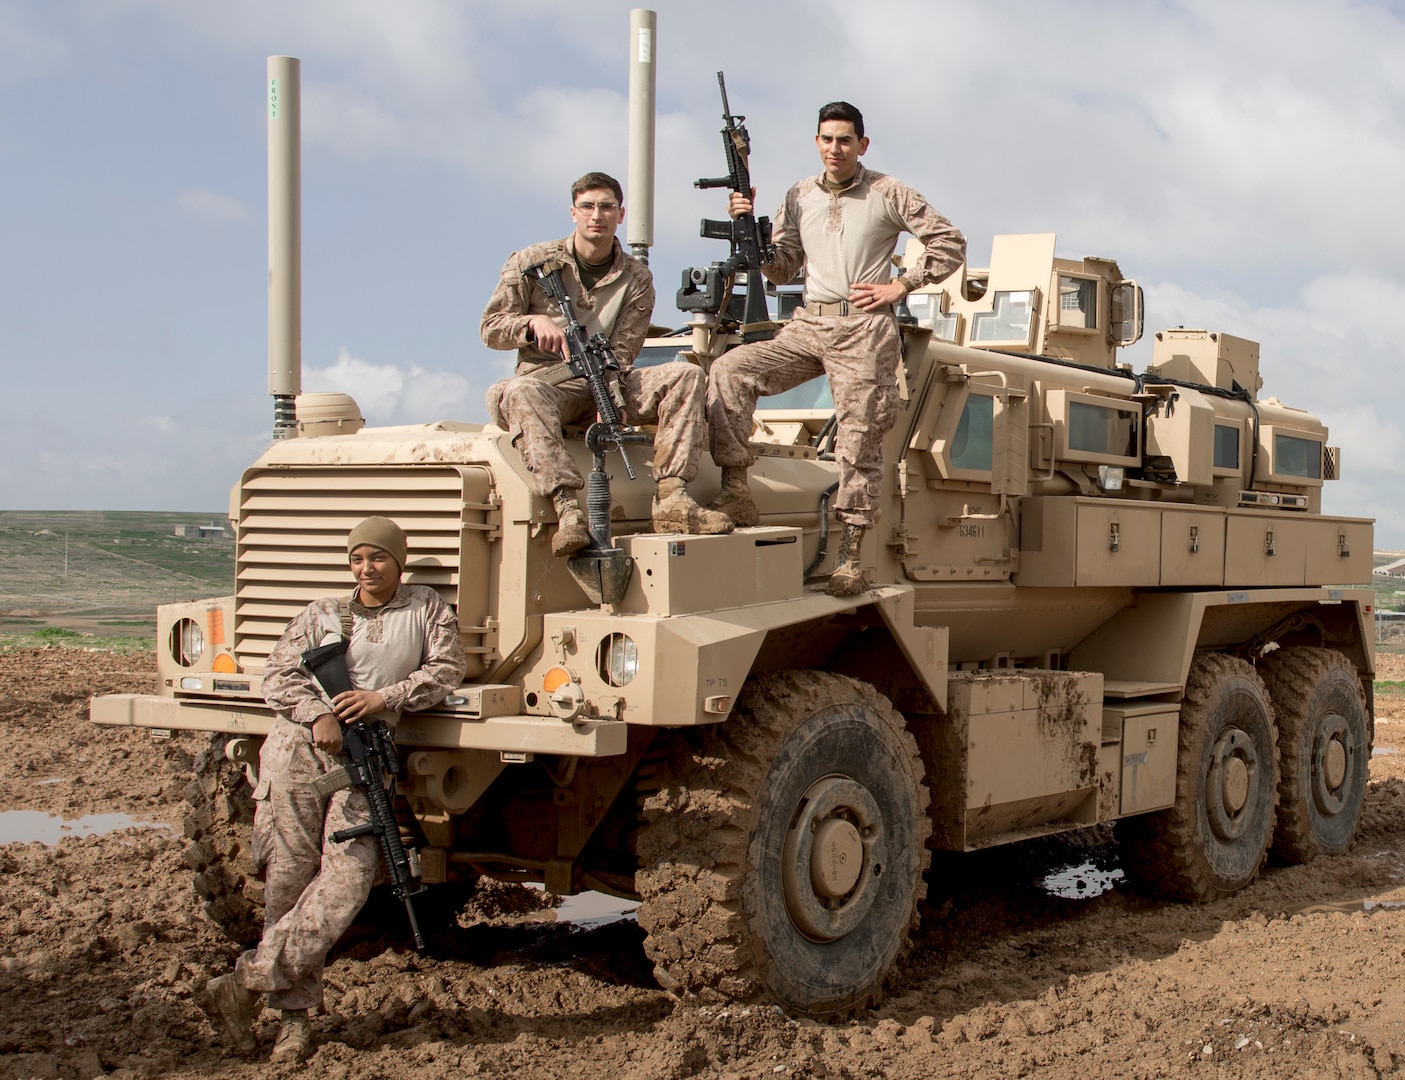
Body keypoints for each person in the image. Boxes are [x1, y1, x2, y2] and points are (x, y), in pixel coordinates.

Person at [204, 517, 467, 1063]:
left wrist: (385, 698)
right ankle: (292, 1024)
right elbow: (278, 675)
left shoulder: (426, 609)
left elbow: (447, 670)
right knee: (288, 880)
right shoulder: (322, 614)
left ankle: (246, 982)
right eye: (357, 559)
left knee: (348, 879)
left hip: (364, 753)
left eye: (377, 558)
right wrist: (318, 713)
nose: (366, 569)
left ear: (400, 560)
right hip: (299, 749)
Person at [705, 102, 967, 596]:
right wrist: (751, 231)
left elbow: (950, 242)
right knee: (731, 369)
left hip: (864, 328)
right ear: (817, 142)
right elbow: (781, 268)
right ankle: (736, 488)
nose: (835, 148)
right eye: (826, 139)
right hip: (808, 324)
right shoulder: (799, 194)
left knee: (858, 436)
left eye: (845, 140)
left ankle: (850, 553)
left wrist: (902, 285)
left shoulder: (889, 193)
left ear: (861, 145)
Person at [481, 171, 732, 556]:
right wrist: (532, 323)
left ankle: (672, 498)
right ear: (573, 212)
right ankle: (568, 510)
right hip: (548, 385)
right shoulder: (531, 262)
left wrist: (609, 396)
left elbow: (625, 350)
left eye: (606, 207)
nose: (596, 215)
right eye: (587, 206)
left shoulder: (636, 277)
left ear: (621, 214)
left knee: (686, 373)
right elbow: (491, 328)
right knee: (519, 391)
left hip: (605, 380)